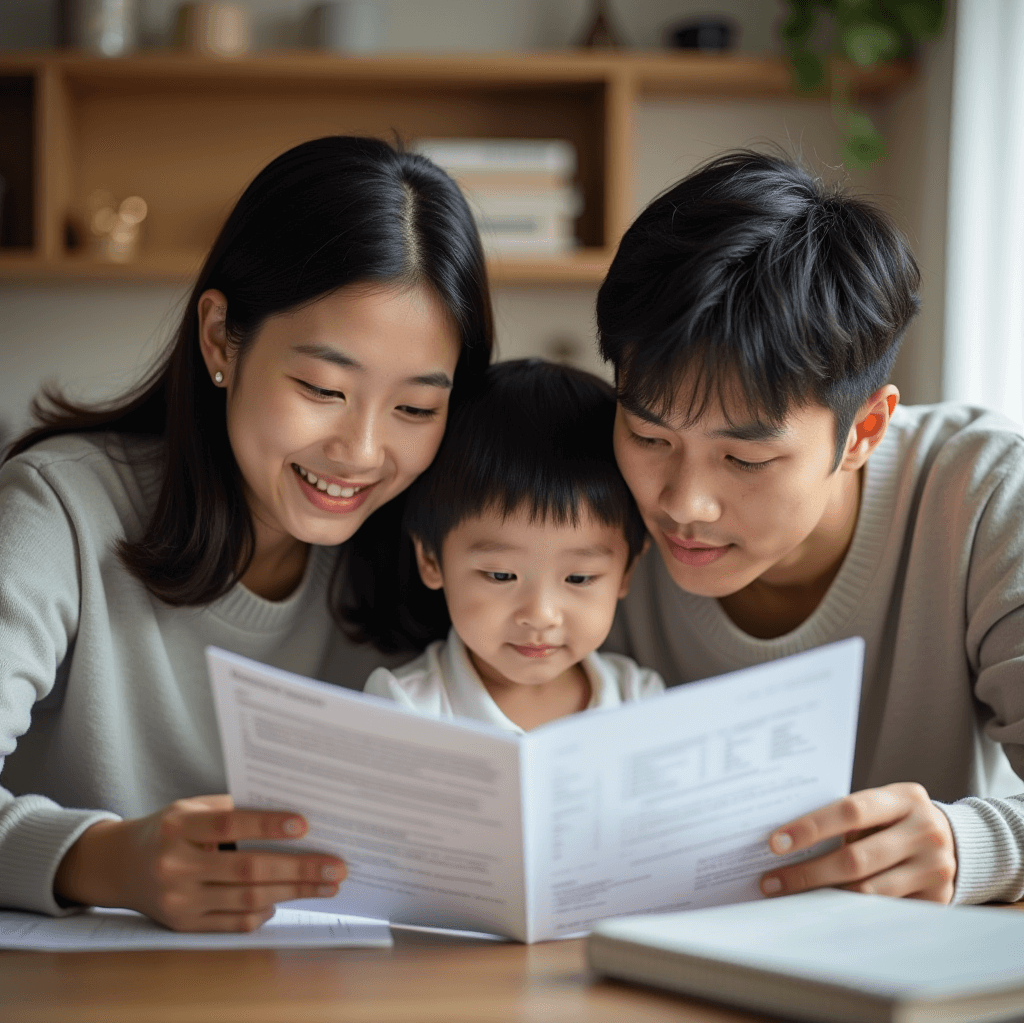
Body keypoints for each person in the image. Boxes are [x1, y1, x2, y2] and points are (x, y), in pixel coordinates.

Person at [0, 136, 493, 931]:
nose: (362, 454)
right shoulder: (61, 510)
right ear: (220, 338)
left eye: (414, 409)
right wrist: (104, 859)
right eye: (322, 387)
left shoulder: (439, 557)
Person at [597, 150, 1024, 906]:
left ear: (863, 432)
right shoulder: (587, 500)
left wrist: (975, 846)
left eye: (745, 458)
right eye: (651, 437)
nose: (683, 503)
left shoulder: (984, 495)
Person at [364, 359, 664, 732]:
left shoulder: (641, 701)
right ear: (431, 558)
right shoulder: (402, 707)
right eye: (502, 575)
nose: (540, 615)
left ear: (627, 572)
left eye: (580, 578)